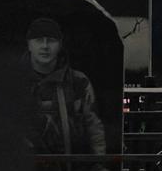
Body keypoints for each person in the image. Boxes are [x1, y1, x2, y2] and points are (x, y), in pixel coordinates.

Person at [26, 17, 106, 162]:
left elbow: (94, 129)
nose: (45, 46)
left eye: (51, 40)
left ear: (60, 44)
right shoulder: (12, 83)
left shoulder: (79, 82)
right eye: (39, 40)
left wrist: (99, 164)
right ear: (29, 45)